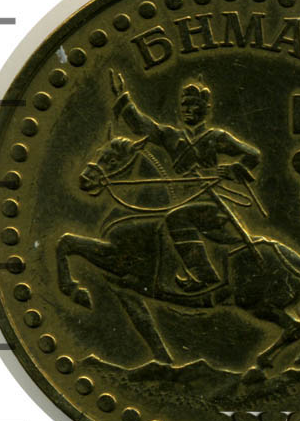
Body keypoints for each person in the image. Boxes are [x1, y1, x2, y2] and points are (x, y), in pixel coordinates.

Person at [110, 71, 261, 292]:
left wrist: (232, 169)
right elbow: (143, 126)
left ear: (206, 109)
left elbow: (253, 155)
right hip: (182, 199)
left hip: (210, 202)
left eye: (193, 105)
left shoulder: (215, 138)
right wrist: (123, 97)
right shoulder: (171, 136)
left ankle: (204, 276)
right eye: (184, 105)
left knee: (176, 218)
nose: (187, 109)